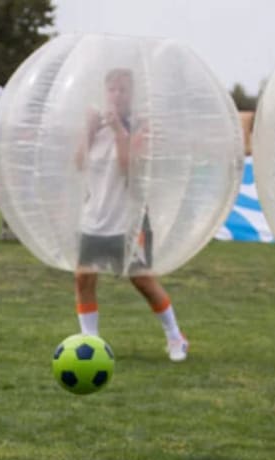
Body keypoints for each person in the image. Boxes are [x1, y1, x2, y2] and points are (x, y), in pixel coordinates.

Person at [73, 68, 188, 361]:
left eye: (123, 90)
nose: (116, 95)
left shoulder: (140, 128)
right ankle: (91, 341)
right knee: (83, 279)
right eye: (112, 89)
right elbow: (77, 163)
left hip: (129, 219)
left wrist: (119, 132)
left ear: (132, 95)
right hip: (95, 216)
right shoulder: (95, 127)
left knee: (143, 281)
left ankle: (175, 336)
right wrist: (88, 130)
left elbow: (131, 172)